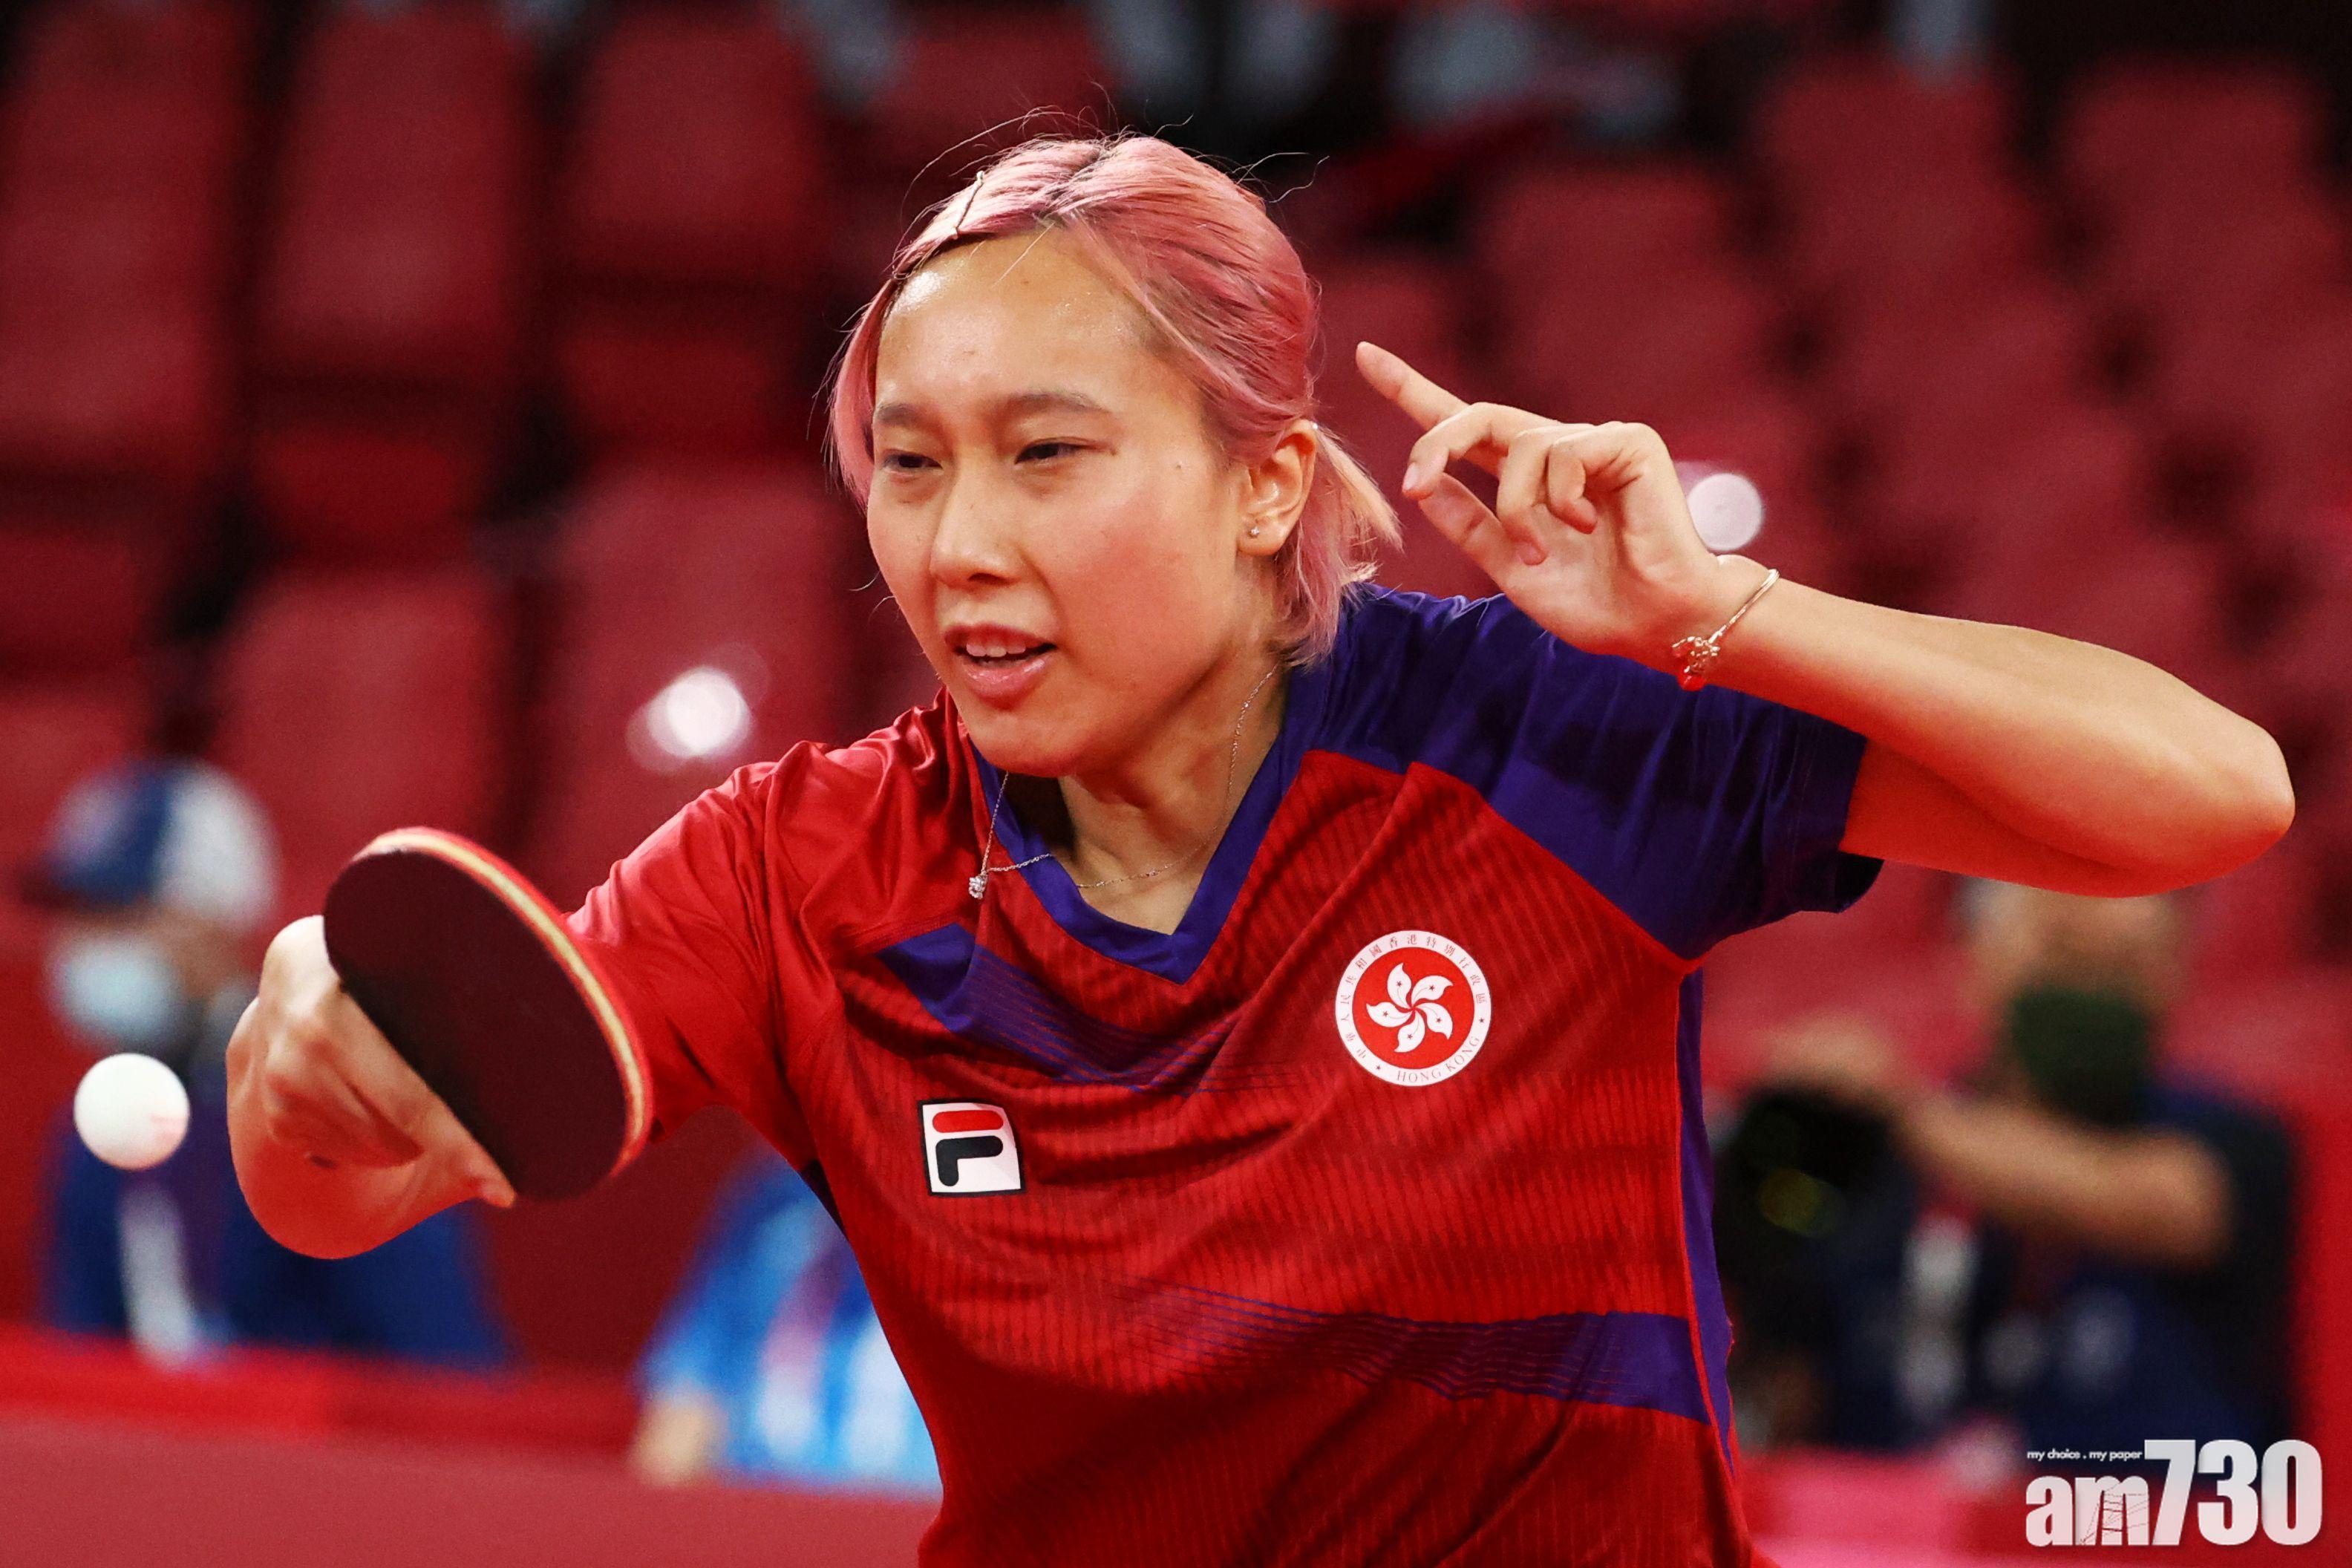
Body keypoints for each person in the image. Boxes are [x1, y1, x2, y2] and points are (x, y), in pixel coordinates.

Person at [222, 134, 2293, 1565]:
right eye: (911, 467)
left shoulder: (1535, 742)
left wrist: (1714, 619)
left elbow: (2206, 793)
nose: (960, 545)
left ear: (1263, 486)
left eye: (1047, 453)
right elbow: (350, 1188)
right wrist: (304, 1056)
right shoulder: (804, 871)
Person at [1740, 885, 2297, 1456]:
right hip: (1887, 1506)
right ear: (1971, 955)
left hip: (2138, 1506)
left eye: (2126, 963)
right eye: (2062, 952)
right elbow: (1782, 1388)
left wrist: (1904, 1109)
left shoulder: (2234, 1138)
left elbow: (2151, 1202)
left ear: (2179, 972)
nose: (2090, 989)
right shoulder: (1873, 1156)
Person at [30, 760, 506, 1368]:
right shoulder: (92, 1137)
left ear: (216, 921)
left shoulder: (345, 1113)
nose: (88, 945)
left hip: (324, 1428)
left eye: (124, 914)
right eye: (79, 916)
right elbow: (78, 1370)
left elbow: (444, 1373)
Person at [630, 1151, 938, 1494]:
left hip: (911, 1507)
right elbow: (684, 1411)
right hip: (757, 1503)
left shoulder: (971, 1219)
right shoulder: (777, 1200)